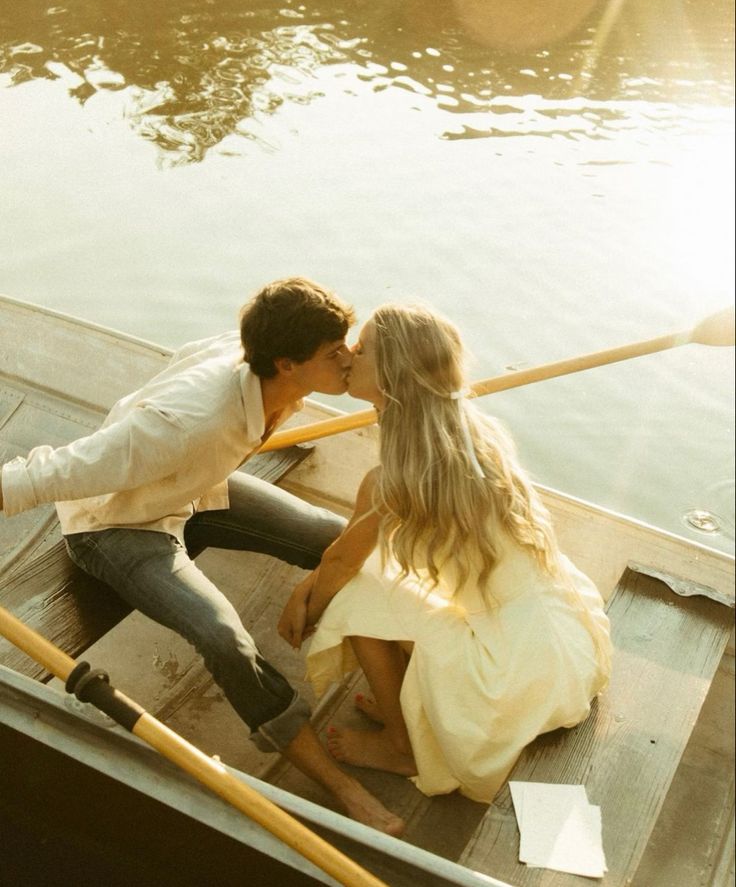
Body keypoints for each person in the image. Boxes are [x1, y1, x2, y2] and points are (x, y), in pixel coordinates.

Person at [0, 277, 404, 835]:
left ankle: (398, 713)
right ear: (286, 364)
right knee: (223, 636)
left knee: (336, 537)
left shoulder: (263, 366)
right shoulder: (183, 424)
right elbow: (62, 470)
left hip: (195, 486)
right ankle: (339, 784)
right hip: (120, 525)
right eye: (335, 353)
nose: (349, 359)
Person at [278, 303, 612, 803]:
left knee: (357, 599)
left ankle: (401, 745)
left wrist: (304, 603)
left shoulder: (392, 480)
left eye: (362, 348)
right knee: (383, 578)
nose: (349, 353)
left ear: (391, 374)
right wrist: (317, 579)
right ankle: (417, 706)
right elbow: (346, 552)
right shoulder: (479, 435)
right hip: (561, 653)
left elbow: (343, 564)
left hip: (506, 681)